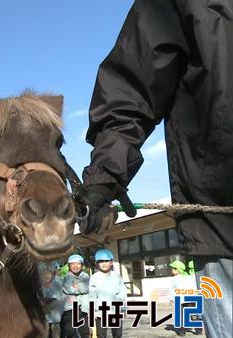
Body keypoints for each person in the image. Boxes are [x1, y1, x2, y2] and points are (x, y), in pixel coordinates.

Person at [80, 1, 233, 336]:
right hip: (224, 223)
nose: (106, 264)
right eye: (103, 261)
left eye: (107, 260)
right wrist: (105, 176)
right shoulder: (90, 279)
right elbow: (131, 90)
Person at [88, 249, 126, 338]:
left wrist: (123, 309)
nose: (104, 263)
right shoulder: (94, 278)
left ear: (111, 262)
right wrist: (92, 311)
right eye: (101, 261)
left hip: (115, 310)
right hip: (100, 311)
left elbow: (122, 294)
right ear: (97, 264)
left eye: (106, 261)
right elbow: (92, 296)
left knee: (117, 334)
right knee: (101, 335)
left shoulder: (117, 277)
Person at [170, 260, 203, 336]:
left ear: (177, 270)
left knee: (181, 317)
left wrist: (171, 299)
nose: (171, 270)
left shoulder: (175, 279)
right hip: (192, 299)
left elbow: (173, 290)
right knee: (194, 315)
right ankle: (199, 331)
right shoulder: (193, 277)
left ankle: (182, 332)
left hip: (181, 301)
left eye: (172, 268)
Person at [60, 254, 90, 338]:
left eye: (78, 264)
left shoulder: (85, 276)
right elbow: (68, 289)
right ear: (69, 266)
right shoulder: (67, 277)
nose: (75, 266)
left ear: (82, 265)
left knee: (84, 330)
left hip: (83, 307)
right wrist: (78, 288)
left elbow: (85, 289)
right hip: (70, 307)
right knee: (70, 331)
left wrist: (76, 287)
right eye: (72, 264)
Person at [41, 261, 64, 338]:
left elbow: (62, 296)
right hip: (45, 315)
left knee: (56, 330)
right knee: (46, 329)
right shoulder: (41, 285)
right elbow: (42, 298)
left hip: (56, 316)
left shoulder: (58, 282)